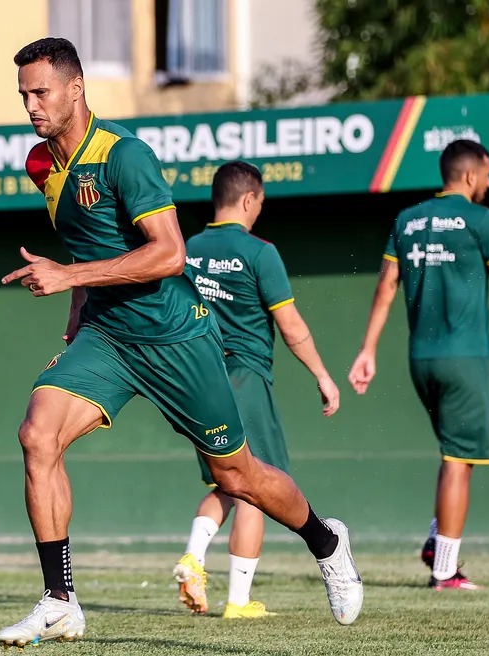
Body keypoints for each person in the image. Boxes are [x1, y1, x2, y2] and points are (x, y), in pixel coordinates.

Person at [0, 37, 362, 647]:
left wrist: (68, 276)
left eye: (42, 91)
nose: (32, 105)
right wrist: (75, 313)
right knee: (37, 435)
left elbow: (169, 254)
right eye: (24, 95)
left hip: (176, 338)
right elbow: (94, 248)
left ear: (76, 88)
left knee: (238, 476)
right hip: (108, 336)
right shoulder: (42, 165)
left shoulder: (125, 156)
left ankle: (326, 541)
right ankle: (59, 601)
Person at [348, 139, 489, 591]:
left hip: (421, 359)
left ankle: (435, 540)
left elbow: (385, 288)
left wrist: (368, 350)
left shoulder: (407, 219)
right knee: (460, 459)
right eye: (488, 172)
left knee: (458, 455)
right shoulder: (482, 220)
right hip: (464, 359)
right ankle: (444, 571)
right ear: (470, 174)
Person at [173, 161, 342, 619]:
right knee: (256, 484)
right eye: (260, 203)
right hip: (245, 378)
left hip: (198, 382)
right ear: (249, 200)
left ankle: (192, 556)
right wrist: (324, 376)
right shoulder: (259, 251)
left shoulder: (184, 249)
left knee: (225, 480)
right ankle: (239, 602)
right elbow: (291, 327)